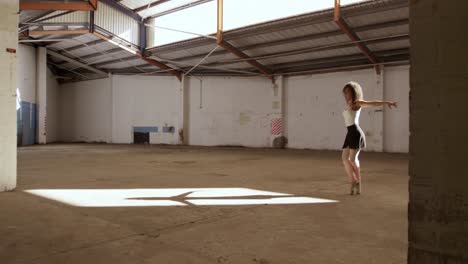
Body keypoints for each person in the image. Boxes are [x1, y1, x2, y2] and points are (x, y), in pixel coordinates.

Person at [341, 82, 397, 195]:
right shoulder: (349, 104)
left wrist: (387, 103)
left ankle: (358, 181)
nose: (346, 94)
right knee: (344, 158)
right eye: (345, 92)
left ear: (353, 91)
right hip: (349, 133)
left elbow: (372, 103)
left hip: (356, 133)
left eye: (348, 91)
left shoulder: (357, 103)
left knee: (352, 159)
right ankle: (353, 181)